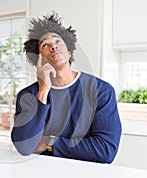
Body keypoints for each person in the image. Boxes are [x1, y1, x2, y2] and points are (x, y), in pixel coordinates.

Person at [11, 12, 122, 164]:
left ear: (69, 52)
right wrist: (43, 91)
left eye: (58, 42)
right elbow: (24, 146)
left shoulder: (101, 91)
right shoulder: (29, 95)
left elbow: (105, 150)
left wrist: (50, 142)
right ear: (39, 59)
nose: (53, 46)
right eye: (45, 45)